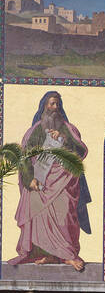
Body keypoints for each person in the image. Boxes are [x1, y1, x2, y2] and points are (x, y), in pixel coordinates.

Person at [12, 90, 91, 273]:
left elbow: (80, 152)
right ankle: (48, 254)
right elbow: (24, 157)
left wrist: (63, 140)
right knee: (39, 214)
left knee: (64, 215)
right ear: (44, 106)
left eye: (57, 104)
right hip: (40, 182)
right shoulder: (35, 131)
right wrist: (28, 179)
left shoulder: (68, 129)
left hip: (64, 182)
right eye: (51, 104)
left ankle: (68, 255)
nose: (54, 108)